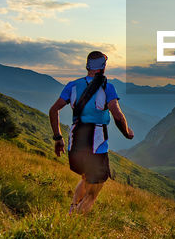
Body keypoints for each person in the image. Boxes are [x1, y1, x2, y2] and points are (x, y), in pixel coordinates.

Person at [48, 50, 133, 214]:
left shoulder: (72, 85)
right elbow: (117, 114)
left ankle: (72, 208)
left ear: (88, 66)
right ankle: (74, 220)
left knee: (86, 177)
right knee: (95, 190)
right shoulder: (107, 87)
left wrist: (58, 138)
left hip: (75, 141)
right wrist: (127, 132)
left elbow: (53, 110)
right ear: (103, 67)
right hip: (96, 142)